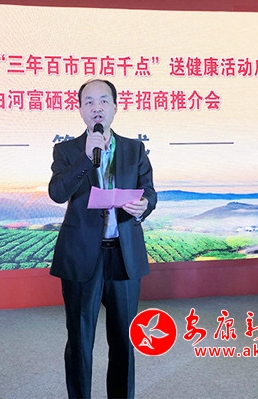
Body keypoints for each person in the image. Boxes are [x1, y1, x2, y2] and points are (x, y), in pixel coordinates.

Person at [48, 79, 157, 398]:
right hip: (82, 256)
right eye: (89, 102)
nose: (97, 107)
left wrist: (145, 205)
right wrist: (86, 158)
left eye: (104, 100)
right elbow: (57, 193)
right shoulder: (66, 150)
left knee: (123, 340)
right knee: (80, 340)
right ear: (81, 109)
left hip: (124, 255)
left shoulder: (134, 149)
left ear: (115, 107)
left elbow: (149, 191)